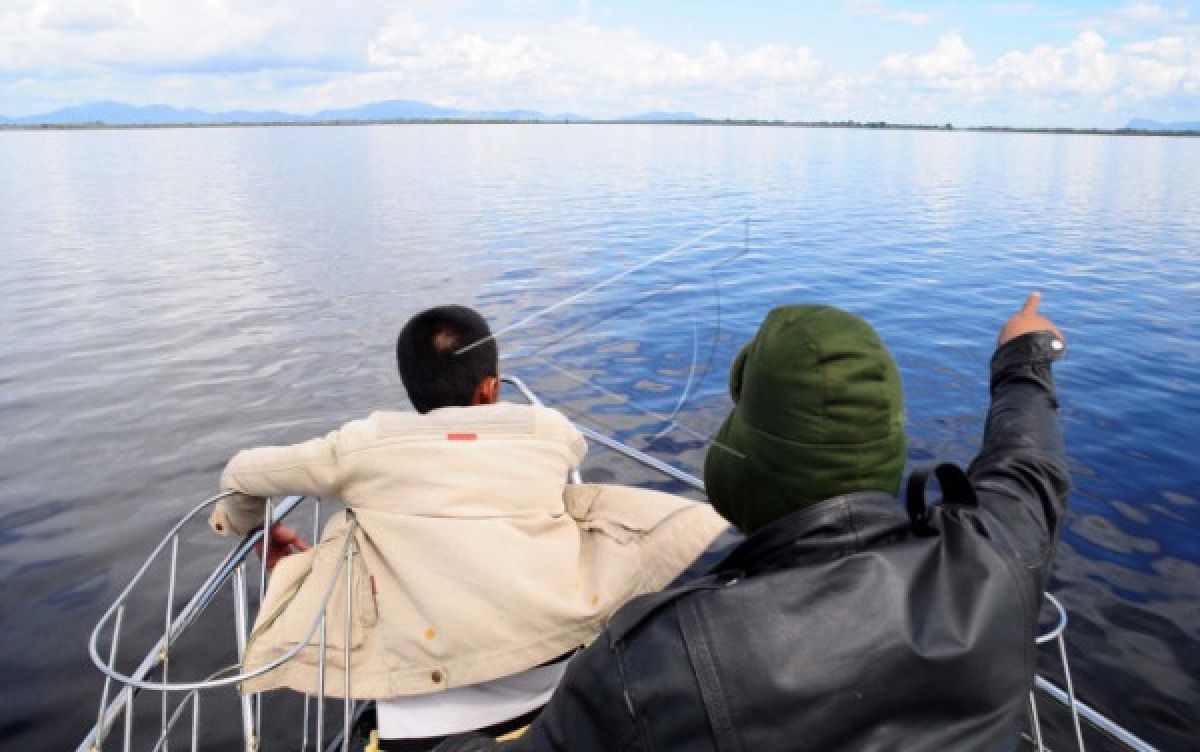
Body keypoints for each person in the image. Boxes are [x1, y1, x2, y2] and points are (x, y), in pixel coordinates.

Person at [435, 293, 1070, 751]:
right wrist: (1024, 356)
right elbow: (1027, 460)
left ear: (756, 463)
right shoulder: (998, 556)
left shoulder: (656, 658)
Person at [208, 305, 729, 749]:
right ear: (492, 388)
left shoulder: (360, 447)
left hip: (420, 730)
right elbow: (569, 446)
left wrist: (257, 529)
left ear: (411, 388)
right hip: (559, 707)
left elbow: (242, 472)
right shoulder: (548, 432)